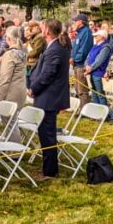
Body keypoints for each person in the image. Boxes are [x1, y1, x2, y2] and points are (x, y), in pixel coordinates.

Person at [27, 19, 71, 180]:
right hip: (46, 97)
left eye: (42, 27)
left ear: (46, 31)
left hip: (49, 98)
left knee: (47, 134)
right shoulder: (54, 47)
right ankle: (48, 168)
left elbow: (47, 75)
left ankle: (50, 171)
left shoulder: (55, 49)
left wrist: (33, 89)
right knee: (45, 134)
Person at [0, 26, 27, 107]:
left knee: (7, 119)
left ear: (8, 38)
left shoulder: (10, 54)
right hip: (20, 92)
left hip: (10, 95)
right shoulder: (22, 51)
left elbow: (5, 79)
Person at [84, 30, 112, 106]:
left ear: (102, 37)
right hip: (92, 72)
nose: (95, 37)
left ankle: (103, 113)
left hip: (99, 73)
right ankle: (96, 112)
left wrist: (90, 68)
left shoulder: (106, 47)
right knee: (94, 93)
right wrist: (86, 65)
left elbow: (99, 60)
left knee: (100, 94)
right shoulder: (95, 45)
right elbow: (88, 56)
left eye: (97, 36)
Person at [69, 14, 93, 103]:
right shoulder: (79, 33)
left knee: (82, 90)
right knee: (77, 88)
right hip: (76, 64)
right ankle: (81, 108)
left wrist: (75, 59)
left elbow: (84, 50)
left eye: (75, 21)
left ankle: (85, 110)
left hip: (81, 64)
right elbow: (75, 48)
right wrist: (71, 57)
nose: (74, 23)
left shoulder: (86, 32)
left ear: (80, 22)